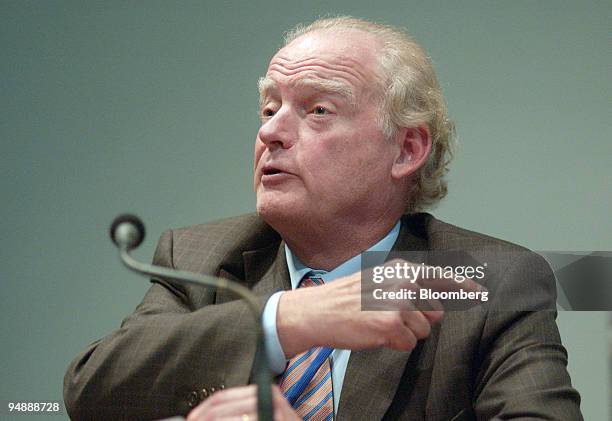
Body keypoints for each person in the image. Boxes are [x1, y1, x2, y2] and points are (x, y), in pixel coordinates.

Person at [64, 16, 582, 421]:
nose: (272, 133)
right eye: (269, 109)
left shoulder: (487, 284)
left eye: (317, 111)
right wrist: (287, 319)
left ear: (406, 149)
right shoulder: (202, 258)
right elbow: (93, 389)